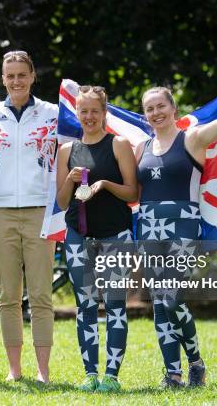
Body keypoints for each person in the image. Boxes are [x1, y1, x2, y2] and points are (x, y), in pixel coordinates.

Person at [136, 67, 217, 388]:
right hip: (149, 230)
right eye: (149, 109)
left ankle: (195, 362)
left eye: (161, 106)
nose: (156, 113)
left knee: (170, 295)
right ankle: (173, 374)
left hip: (184, 227)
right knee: (158, 301)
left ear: (173, 108)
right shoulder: (140, 149)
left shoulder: (191, 139)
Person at [0, 50, 58, 384]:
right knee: (8, 296)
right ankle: (15, 369)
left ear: (32, 76)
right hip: (1, 213)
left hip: (41, 211)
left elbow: (81, 142)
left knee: (40, 295)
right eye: (10, 76)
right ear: (3, 79)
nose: (16, 81)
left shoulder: (54, 113)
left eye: (21, 74)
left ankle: (43, 370)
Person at [56, 85, 138, 392]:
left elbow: (133, 192)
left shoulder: (118, 144)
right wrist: (69, 179)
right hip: (78, 237)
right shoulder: (66, 151)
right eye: (83, 111)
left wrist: (104, 183)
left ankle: (111, 377)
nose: (89, 117)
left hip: (116, 236)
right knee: (85, 306)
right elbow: (63, 202)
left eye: (95, 111)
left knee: (116, 305)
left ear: (104, 113)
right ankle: (90, 374)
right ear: (76, 113)